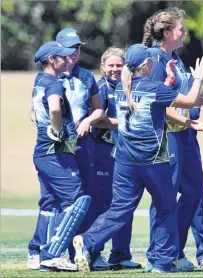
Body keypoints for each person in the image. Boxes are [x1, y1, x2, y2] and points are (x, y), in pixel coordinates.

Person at [72, 44, 203, 273]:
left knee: (120, 210)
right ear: (147, 64)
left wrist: (166, 81)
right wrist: (197, 78)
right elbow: (189, 100)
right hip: (152, 160)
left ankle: (86, 241)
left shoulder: (121, 88)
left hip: (125, 162)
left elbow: (154, 102)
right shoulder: (153, 88)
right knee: (166, 208)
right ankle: (162, 263)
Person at [142, 7, 203, 271]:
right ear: (167, 32)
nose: (185, 32)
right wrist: (192, 122)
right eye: (180, 29)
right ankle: (159, 256)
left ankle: (173, 251)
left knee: (194, 193)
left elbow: (184, 99)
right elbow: (161, 105)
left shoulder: (174, 59)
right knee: (164, 197)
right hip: (167, 138)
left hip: (186, 137)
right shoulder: (153, 60)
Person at [29, 41, 89, 272]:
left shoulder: (39, 81)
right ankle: (52, 254)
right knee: (77, 202)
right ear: (52, 60)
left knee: (53, 204)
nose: (68, 59)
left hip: (42, 153)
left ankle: (45, 253)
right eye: (63, 57)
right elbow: (54, 108)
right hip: (56, 153)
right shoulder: (53, 83)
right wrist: (56, 130)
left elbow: (34, 111)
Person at [55, 28, 105, 261]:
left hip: (84, 144)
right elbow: (35, 112)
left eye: (77, 48)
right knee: (59, 199)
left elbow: (99, 110)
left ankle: (82, 251)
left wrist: (87, 120)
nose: (74, 53)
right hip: (56, 147)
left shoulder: (86, 76)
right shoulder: (48, 76)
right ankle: (51, 251)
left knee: (86, 196)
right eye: (69, 48)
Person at [88, 47, 140, 270]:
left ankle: (120, 254)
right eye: (111, 65)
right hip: (102, 152)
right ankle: (93, 253)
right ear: (102, 67)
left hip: (125, 153)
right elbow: (95, 120)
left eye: (119, 65)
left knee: (124, 203)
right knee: (102, 205)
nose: (115, 69)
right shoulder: (99, 88)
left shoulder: (129, 86)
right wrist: (126, 121)